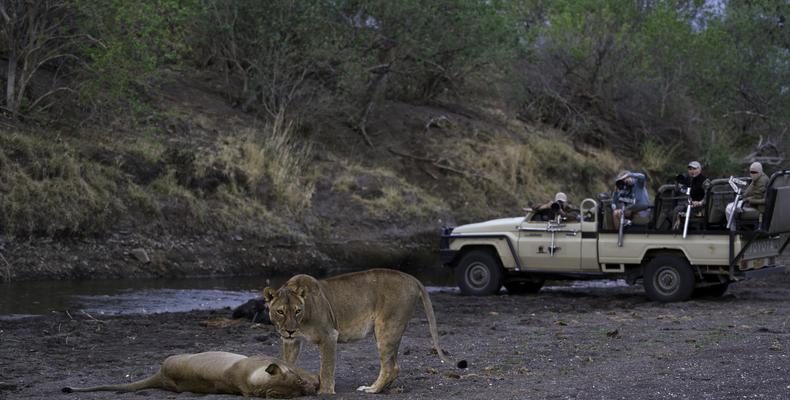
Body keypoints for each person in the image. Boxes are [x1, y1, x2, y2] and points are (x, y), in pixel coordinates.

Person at [726, 162, 769, 228]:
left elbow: (757, 197)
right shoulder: (758, 178)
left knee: (729, 208)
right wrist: (743, 195)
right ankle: (735, 229)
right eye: (751, 172)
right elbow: (749, 190)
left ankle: (733, 230)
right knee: (730, 206)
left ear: (760, 171)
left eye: (754, 172)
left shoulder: (762, 181)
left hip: (759, 207)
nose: (752, 174)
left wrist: (746, 199)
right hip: (754, 203)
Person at [671, 161, 710, 230]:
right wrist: (677, 182)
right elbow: (679, 190)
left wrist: (700, 203)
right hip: (690, 205)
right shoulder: (688, 179)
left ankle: (675, 233)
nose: (692, 171)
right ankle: (675, 231)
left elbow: (708, 196)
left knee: (678, 210)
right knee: (674, 210)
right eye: (690, 169)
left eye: (695, 169)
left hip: (701, 208)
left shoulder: (705, 181)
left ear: (700, 170)